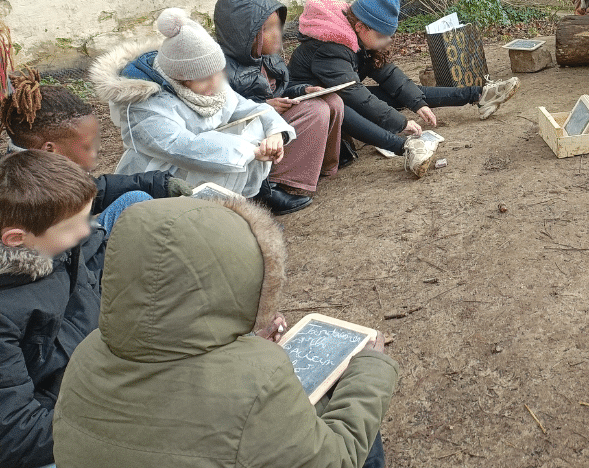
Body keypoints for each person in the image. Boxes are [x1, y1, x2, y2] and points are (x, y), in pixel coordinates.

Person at [53, 194, 400, 468]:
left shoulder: (87, 351)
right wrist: (370, 370)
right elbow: (334, 459)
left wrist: (237, 341)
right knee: (342, 415)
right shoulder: (258, 380)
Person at [288, 0, 519, 178]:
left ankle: (479, 95)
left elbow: (390, 76)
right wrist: (399, 124)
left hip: (342, 94)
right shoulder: (332, 47)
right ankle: (404, 148)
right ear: (360, 28)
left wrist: (417, 103)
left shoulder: (356, 36)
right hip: (312, 106)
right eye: (382, 36)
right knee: (344, 106)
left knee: (402, 93)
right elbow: (354, 95)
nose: (387, 41)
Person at [90, 8, 304, 214]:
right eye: (206, 78)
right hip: (162, 179)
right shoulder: (144, 105)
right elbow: (183, 147)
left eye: (217, 73)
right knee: (224, 151)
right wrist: (251, 151)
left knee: (254, 122)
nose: (216, 83)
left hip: (209, 164)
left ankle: (232, 208)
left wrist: (275, 133)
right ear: (182, 79)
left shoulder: (208, 82)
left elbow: (248, 107)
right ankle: (209, 218)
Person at [0, 150, 108, 468]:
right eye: (75, 225)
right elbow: (17, 438)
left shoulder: (53, 247)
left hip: (84, 377)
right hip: (48, 423)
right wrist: (117, 416)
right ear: (16, 239)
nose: (87, 231)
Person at [1, 69, 191, 216]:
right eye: (88, 146)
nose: (96, 151)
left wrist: (157, 184)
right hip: (73, 260)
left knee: (137, 198)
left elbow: (96, 189)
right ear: (51, 150)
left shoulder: (39, 172)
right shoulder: (30, 199)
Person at [215, 0, 346, 199]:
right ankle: (286, 182)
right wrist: (266, 106)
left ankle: (321, 166)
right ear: (244, 33)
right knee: (315, 110)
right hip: (254, 133)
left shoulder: (268, 57)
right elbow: (227, 114)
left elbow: (281, 90)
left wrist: (304, 90)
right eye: (268, 28)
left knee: (332, 100)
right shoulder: (221, 68)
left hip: (274, 120)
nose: (277, 34)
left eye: (278, 26)